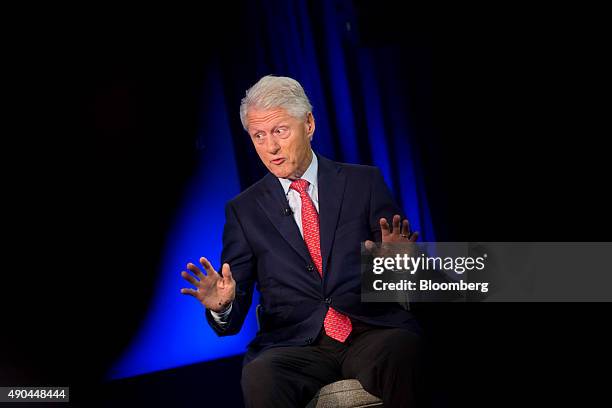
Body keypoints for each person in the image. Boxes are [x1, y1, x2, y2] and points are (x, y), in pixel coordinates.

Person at [180, 75, 424, 407]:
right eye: (259, 136)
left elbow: (406, 286)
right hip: (296, 345)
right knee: (261, 373)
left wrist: (400, 267)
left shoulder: (363, 182)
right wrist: (222, 306)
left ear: (308, 123)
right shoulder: (244, 211)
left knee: (403, 347)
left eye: (280, 130)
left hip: (369, 331)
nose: (271, 147)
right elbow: (233, 317)